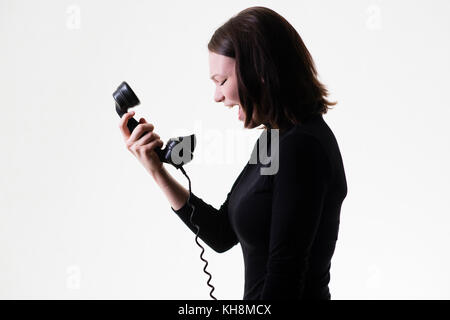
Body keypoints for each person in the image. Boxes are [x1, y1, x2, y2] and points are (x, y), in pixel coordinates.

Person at [118, 6, 347, 300]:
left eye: (222, 81)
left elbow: (284, 282)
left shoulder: (302, 148)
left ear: (262, 72)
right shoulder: (274, 141)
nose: (217, 96)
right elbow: (222, 232)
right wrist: (155, 169)